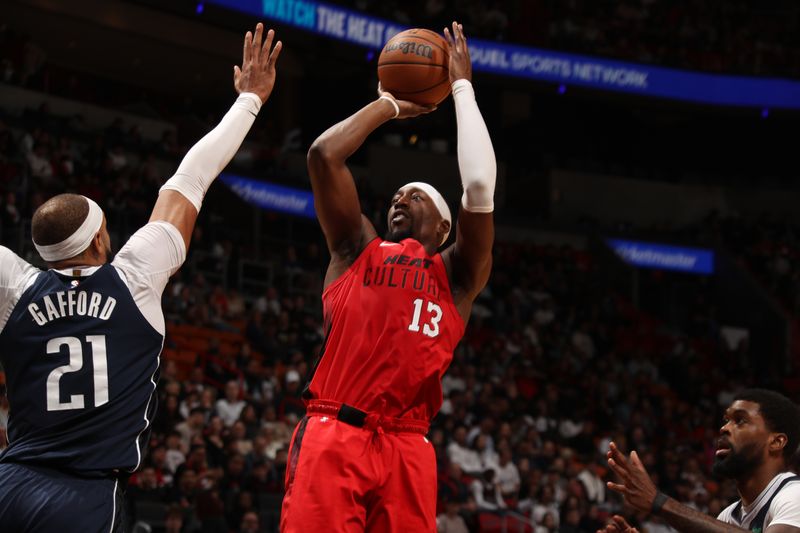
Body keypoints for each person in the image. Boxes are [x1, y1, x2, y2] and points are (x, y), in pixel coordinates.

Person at [0, 23, 282, 531]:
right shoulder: (135, 278)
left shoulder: (15, 287)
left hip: (11, 481)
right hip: (85, 493)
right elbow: (191, 178)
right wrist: (250, 100)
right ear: (99, 241)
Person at [281, 22, 496, 531]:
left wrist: (461, 87)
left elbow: (481, 183)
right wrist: (390, 105)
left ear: (445, 226)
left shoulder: (457, 275)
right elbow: (323, 155)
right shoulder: (357, 249)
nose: (400, 198)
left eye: (415, 194)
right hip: (336, 429)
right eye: (396, 194)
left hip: (408, 444)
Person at [599, 389, 800, 533]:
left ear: (776, 441)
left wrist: (659, 502)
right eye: (726, 420)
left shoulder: (794, 495)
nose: (724, 428)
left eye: (740, 420)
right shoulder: (728, 517)